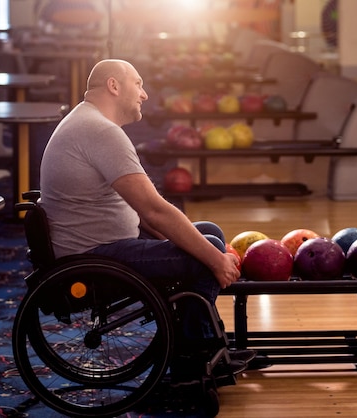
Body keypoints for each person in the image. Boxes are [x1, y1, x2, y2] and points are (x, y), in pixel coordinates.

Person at [39, 59, 254, 384]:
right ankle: (192, 359)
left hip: (95, 249)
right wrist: (215, 261)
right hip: (95, 260)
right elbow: (154, 210)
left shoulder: (87, 122)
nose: (145, 95)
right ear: (114, 86)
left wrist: (194, 245)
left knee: (208, 232)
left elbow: (143, 212)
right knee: (207, 249)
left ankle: (198, 339)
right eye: (138, 84)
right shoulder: (100, 131)